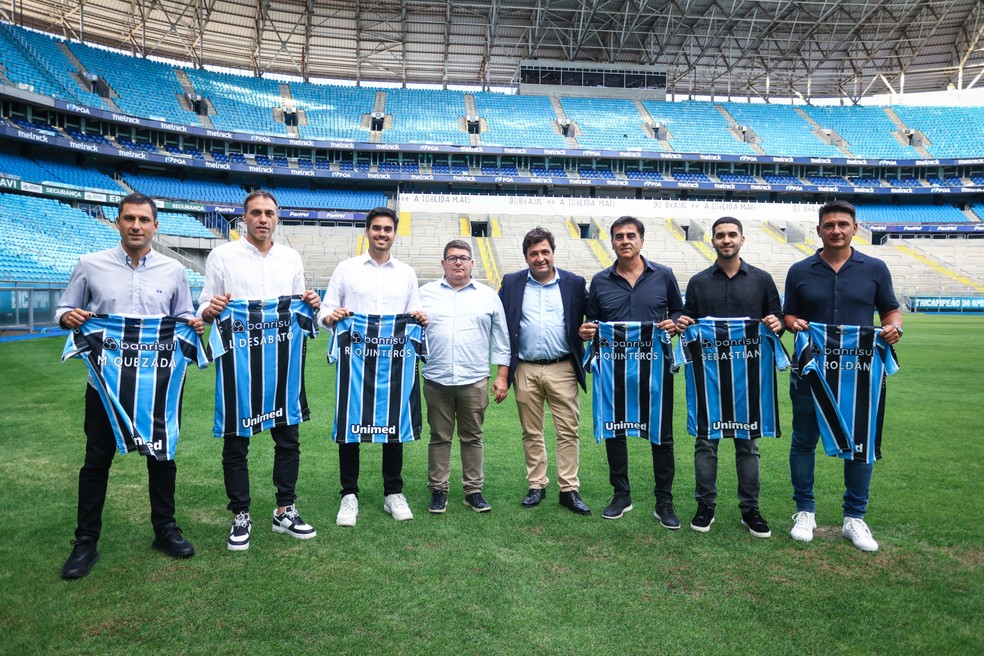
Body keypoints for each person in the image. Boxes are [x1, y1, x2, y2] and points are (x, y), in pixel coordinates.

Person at [56, 193, 203, 579]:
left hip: (159, 384)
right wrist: (68, 317)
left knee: (162, 456)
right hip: (104, 385)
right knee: (96, 460)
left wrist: (193, 324)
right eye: (128, 219)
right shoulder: (90, 265)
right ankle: (85, 542)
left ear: (156, 226)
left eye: (143, 219)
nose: (136, 225)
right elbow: (63, 309)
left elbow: (183, 315)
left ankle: (165, 530)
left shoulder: (174, 271)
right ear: (117, 222)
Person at [199, 189, 322, 551]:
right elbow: (206, 305)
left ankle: (285, 509)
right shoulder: (222, 256)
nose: (263, 218)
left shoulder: (291, 258)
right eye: (256, 212)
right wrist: (211, 308)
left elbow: (300, 305)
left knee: (288, 440)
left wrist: (312, 303)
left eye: (269, 212)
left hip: (283, 364)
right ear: (244, 217)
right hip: (240, 364)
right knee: (236, 442)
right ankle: (240, 514)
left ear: (277, 217)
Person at [784, 199, 902, 552]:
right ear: (819, 230)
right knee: (804, 439)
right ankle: (805, 511)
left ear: (854, 228)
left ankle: (855, 517)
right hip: (811, 371)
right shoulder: (800, 270)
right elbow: (788, 315)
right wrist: (794, 323)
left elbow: (891, 312)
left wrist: (894, 329)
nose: (836, 230)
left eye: (842, 224)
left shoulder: (876, 268)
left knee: (860, 441)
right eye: (829, 225)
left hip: (859, 372)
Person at [676, 216, 783, 538]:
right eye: (720, 235)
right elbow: (689, 319)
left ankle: (750, 509)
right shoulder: (698, 282)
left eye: (731, 235)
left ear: (742, 239)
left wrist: (776, 323)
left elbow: (776, 316)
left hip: (749, 379)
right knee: (706, 443)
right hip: (708, 378)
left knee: (747, 445)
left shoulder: (762, 280)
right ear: (712, 240)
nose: (726, 240)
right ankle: (705, 505)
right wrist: (683, 323)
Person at [321, 206, 428, 526]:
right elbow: (325, 310)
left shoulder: (406, 273)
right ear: (367, 231)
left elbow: (416, 312)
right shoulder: (346, 268)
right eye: (377, 228)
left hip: (394, 362)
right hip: (355, 361)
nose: (382, 234)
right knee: (351, 423)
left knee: (393, 424)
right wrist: (331, 317)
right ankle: (348, 494)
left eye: (388, 229)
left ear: (395, 234)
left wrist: (421, 318)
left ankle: (393, 492)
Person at [579, 215, 683, 526]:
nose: (625, 241)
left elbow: (679, 310)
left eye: (631, 235)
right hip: (615, 369)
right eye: (619, 236)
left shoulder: (663, 275)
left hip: (655, 369)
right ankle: (621, 495)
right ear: (612, 242)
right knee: (615, 430)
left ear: (641, 240)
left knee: (661, 435)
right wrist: (587, 331)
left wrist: (674, 322)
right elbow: (592, 321)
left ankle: (664, 501)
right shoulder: (599, 281)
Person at [499, 227, 591, 515]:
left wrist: (589, 331)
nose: (540, 258)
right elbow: (499, 321)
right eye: (533, 254)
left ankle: (569, 489)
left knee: (568, 430)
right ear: (526, 256)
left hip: (562, 366)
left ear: (553, 252)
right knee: (531, 431)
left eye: (544, 252)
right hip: (525, 367)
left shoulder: (574, 283)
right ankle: (536, 484)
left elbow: (594, 316)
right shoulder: (512, 283)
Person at [419, 240, 510, 513]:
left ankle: (473, 491)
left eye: (463, 257)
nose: (458, 262)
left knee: (473, 437)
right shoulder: (424, 293)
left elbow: (502, 339)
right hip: (436, 379)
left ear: (472, 263)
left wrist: (502, 375)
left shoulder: (488, 295)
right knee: (439, 437)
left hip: (474, 380)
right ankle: (438, 490)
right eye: (452, 257)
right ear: (443, 263)